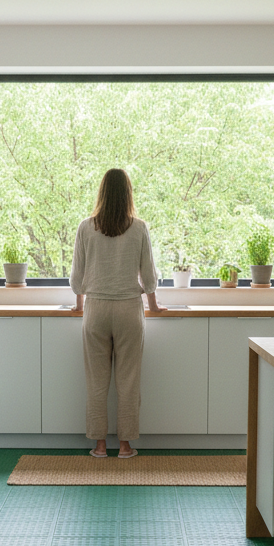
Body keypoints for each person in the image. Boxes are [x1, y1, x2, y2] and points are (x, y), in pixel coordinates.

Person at [69, 168, 167, 458]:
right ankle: (125, 446)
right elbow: (148, 275)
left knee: (96, 382)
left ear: (102, 192)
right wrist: (154, 306)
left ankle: (99, 445)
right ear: (128, 194)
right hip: (128, 310)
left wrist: (78, 306)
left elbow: (77, 276)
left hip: (96, 309)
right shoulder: (139, 228)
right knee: (129, 380)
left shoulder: (85, 227)